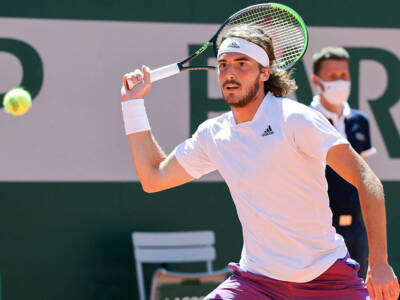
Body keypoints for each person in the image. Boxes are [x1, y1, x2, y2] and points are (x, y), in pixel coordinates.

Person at [120, 25, 399, 299]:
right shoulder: (214, 134)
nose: (230, 72)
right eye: (224, 64)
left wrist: (379, 262)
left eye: (242, 63)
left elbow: (366, 178)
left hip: (325, 280)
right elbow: (154, 178)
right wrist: (133, 104)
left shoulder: (295, 119)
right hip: (256, 282)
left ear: (265, 72)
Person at [309, 46, 377, 280]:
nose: (340, 82)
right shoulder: (304, 120)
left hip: (355, 229)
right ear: (316, 80)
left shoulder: (360, 121)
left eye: (344, 76)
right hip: (316, 230)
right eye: (332, 77)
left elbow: (364, 178)